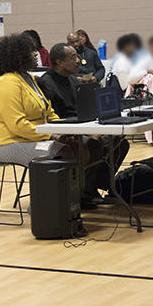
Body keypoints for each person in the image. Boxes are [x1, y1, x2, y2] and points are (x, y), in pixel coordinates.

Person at [0, 34, 100, 209]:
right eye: (30, 52)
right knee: (63, 151)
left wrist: (64, 131)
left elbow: (50, 112)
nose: (35, 55)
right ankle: (45, 207)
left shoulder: (30, 80)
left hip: (33, 137)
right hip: (8, 143)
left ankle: (75, 198)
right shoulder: (8, 82)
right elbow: (17, 125)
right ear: (18, 56)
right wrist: (52, 135)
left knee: (77, 146)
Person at [38, 43, 131, 197]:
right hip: (63, 133)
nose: (79, 60)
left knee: (120, 143)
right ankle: (83, 192)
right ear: (60, 62)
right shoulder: (47, 83)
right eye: (73, 57)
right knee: (94, 144)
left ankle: (100, 185)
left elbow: (83, 112)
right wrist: (85, 133)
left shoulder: (73, 80)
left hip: (81, 127)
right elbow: (55, 120)